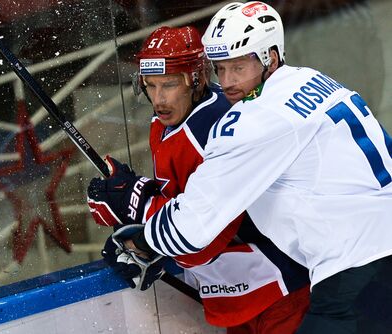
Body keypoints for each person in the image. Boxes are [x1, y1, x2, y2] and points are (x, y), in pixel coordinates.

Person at [87, 2, 392, 333]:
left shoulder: (254, 118)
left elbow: (194, 226)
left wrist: (140, 241)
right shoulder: (314, 80)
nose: (229, 82)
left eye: (239, 67)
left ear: (271, 58)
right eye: (221, 68)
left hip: (359, 268)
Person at [89, 25, 310, 333]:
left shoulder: (216, 130)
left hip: (278, 288)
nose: (158, 99)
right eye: (150, 86)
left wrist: (137, 206)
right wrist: (128, 203)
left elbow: (200, 239)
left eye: (168, 85)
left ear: (198, 79)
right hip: (236, 293)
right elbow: (183, 200)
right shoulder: (167, 121)